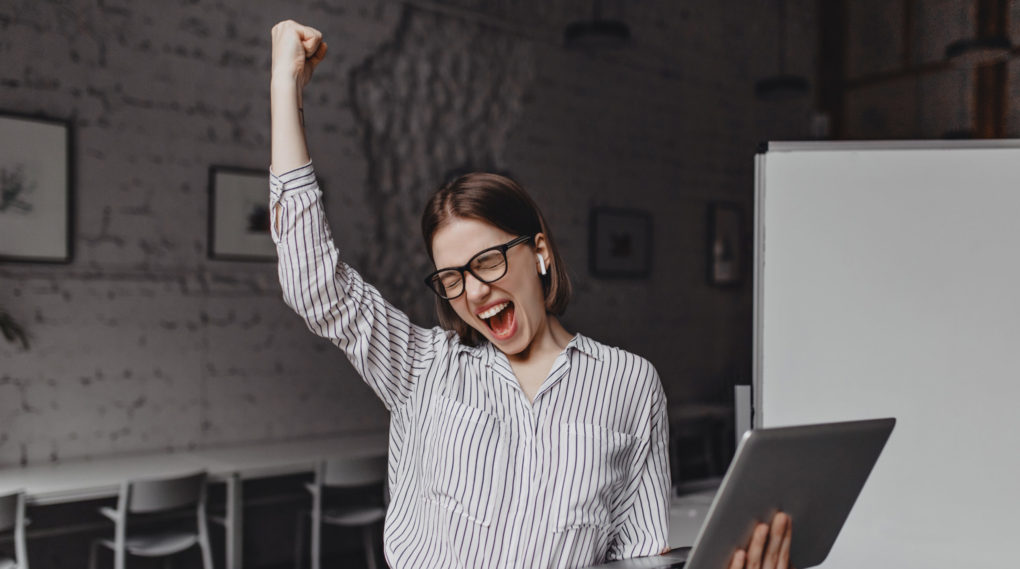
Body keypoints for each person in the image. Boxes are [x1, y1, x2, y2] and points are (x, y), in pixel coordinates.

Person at [269, 19, 792, 569]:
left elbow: (640, 556)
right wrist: (286, 88)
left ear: (539, 251)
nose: (473, 291)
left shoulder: (629, 384)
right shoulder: (421, 368)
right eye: (452, 278)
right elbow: (314, 284)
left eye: (487, 262)